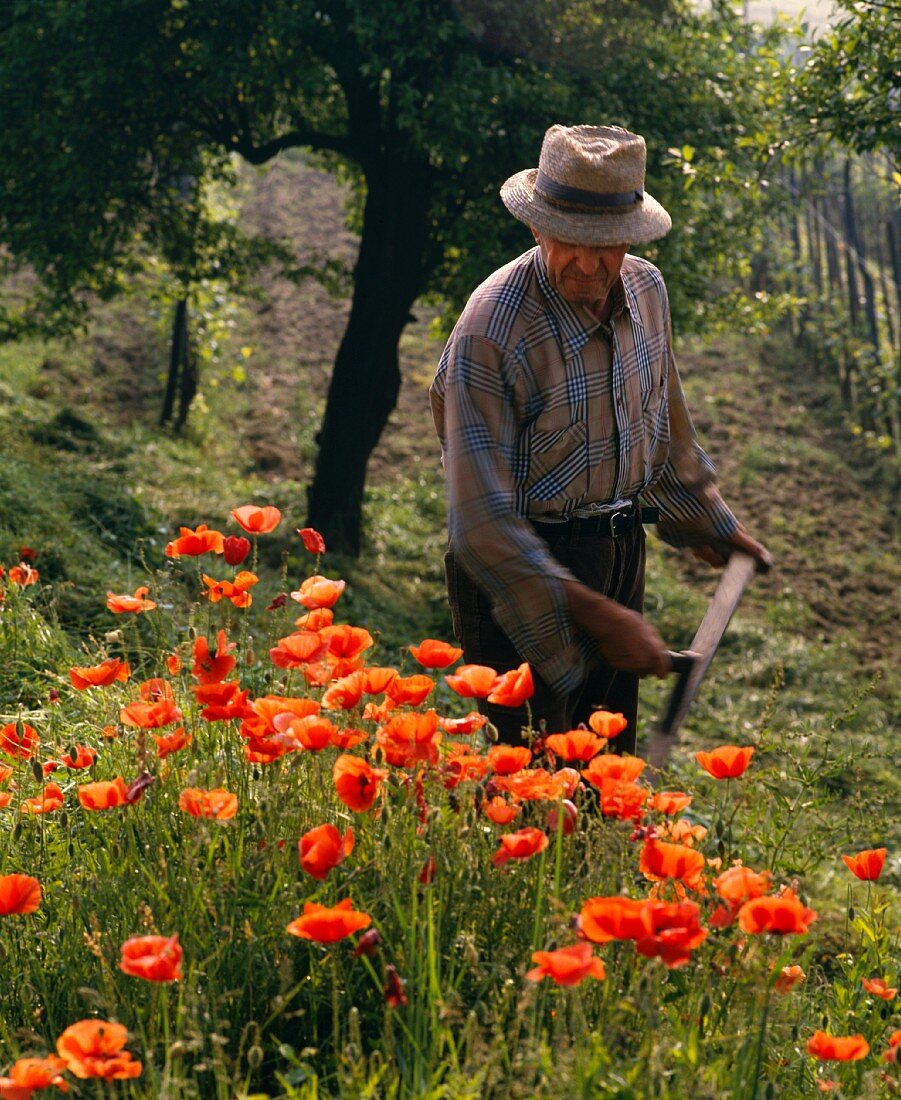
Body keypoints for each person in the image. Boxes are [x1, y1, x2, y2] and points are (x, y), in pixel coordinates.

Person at [430, 124, 770, 753]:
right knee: (525, 786)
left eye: (607, 243)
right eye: (569, 240)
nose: (588, 263)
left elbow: (662, 427)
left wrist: (707, 520)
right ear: (536, 227)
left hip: (617, 554)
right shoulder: (492, 331)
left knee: (601, 781)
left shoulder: (646, 291)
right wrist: (601, 616)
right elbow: (480, 527)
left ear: (630, 237)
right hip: (518, 572)